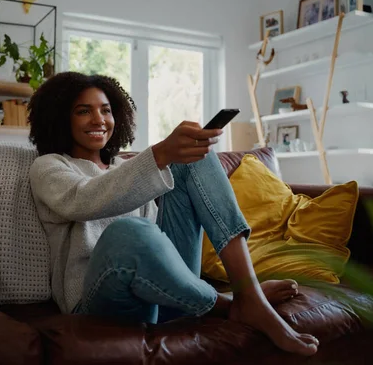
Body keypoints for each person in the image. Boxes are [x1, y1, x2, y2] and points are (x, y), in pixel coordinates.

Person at [27, 71, 319, 356]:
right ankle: (229, 305)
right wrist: (159, 154)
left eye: (106, 110)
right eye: (83, 111)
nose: (99, 120)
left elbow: (159, 236)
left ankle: (249, 293)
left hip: (163, 294)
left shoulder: (123, 167)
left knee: (193, 156)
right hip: (96, 302)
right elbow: (84, 200)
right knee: (131, 232)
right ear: (60, 118)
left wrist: (170, 156)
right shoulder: (50, 166)